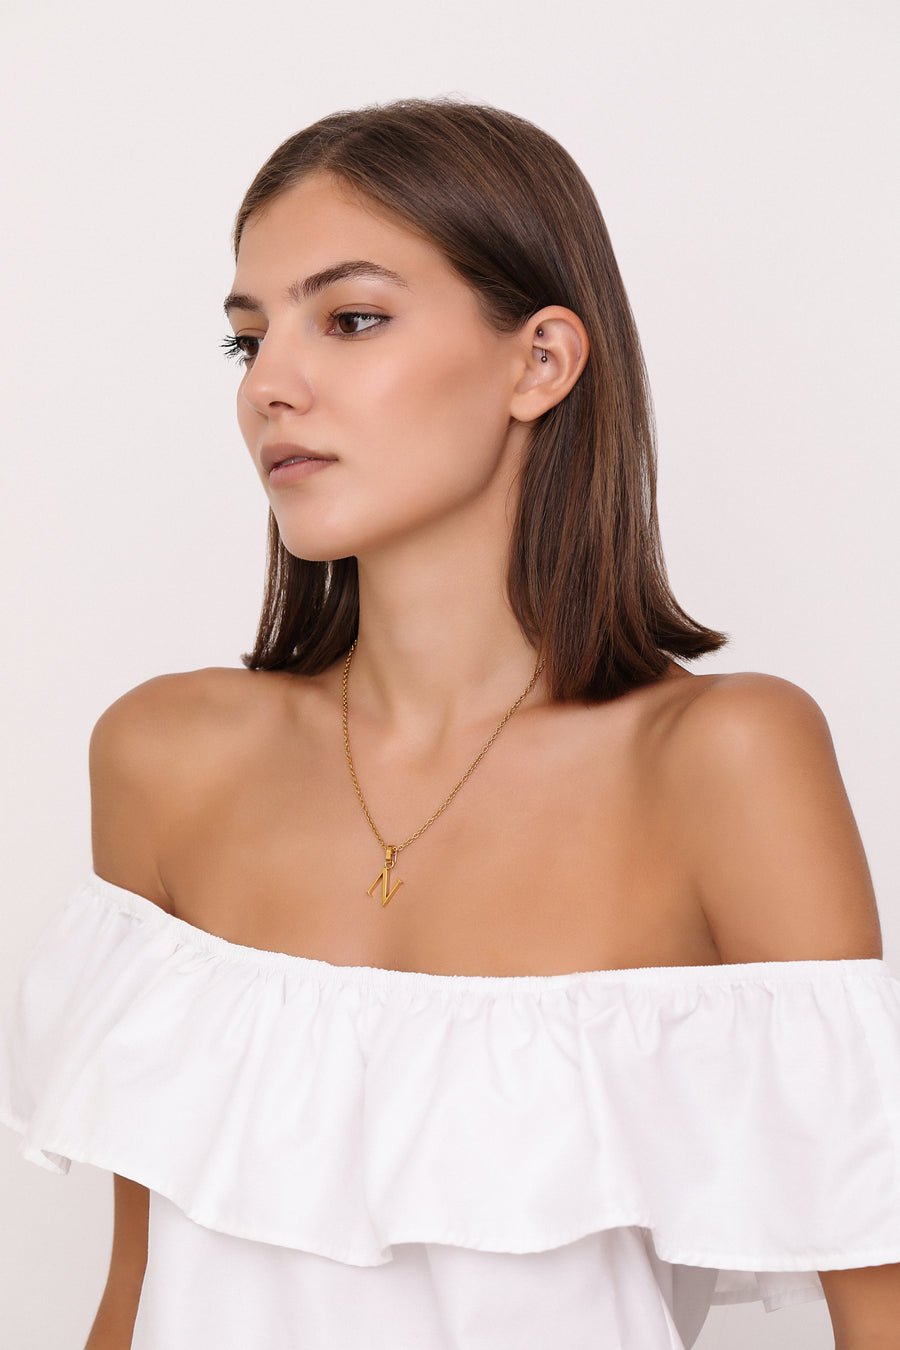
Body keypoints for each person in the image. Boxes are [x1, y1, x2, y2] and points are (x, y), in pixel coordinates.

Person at [2, 99, 899, 1350]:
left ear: (542, 363)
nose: (270, 386)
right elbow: (140, 1291)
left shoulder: (721, 761)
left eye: (350, 319)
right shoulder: (166, 757)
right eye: (246, 340)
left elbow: (879, 1306)